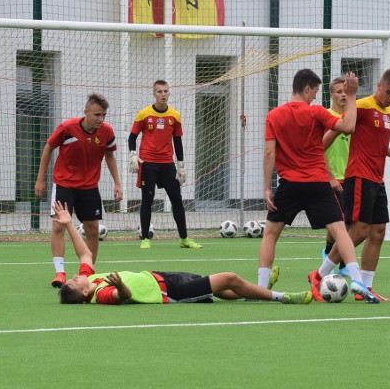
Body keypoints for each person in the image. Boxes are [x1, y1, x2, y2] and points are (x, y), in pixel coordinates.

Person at [256, 68, 380, 304]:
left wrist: (267, 188)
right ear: (307, 88)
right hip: (317, 183)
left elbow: (269, 152)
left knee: (270, 234)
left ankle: (262, 289)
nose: (315, 97)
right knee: (340, 231)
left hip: (289, 185)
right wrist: (352, 96)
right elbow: (348, 126)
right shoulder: (316, 113)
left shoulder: (274, 115)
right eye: (314, 92)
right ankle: (357, 280)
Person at [52, 202, 311, 305]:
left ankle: (256, 292)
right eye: (75, 280)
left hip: (161, 278)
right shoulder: (101, 294)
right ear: (84, 292)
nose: (76, 275)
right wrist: (120, 284)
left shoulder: (92, 281)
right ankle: (282, 297)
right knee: (229, 278)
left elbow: (85, 255)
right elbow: (122, 296)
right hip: (170, 292)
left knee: (219, 289)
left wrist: (67, 225)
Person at [316, 68, 390, 302]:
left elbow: (375, 140)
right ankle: (319, 275)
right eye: (388, 92)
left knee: (378, 232)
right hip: (359, 176)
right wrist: (317, 153)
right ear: (379, 85)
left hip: (378, 179)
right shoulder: (363, 105)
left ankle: (366, 288)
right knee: (358, 231)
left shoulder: (389, 112)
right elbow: (337, 131)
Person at [34, 94, 123, 288]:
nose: (101, 119)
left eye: (104, 115)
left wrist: (117, 183)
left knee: (92, 229)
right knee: (58, 226)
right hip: (64, 184)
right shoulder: (67, 128)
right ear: (86, 112)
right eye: (97, 115)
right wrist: (40, 179)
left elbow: (109, 155)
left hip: (90, 187)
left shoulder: (107, 132)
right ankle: (60, 273)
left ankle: (88, 273)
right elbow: (48, 148)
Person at [128, 80, 201, 250]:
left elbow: (178, 141)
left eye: (165, 91)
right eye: (159, 91)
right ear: (154, 94)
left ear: (169, 94)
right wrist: (133, 155)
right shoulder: (143, 114)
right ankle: (145, 238)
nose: (162, 94)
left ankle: (184, 239)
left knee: (177, 200)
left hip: (167, 163)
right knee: (147, 200)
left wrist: (181, 165)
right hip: (148, 163)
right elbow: (132, 137)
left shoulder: (175, 115)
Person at [322, 76, 351, 276]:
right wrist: (330, 176)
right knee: (339, 222)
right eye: (339, 91)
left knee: (347, 223)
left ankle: (327, 251)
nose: (343, 95)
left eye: (346, 92)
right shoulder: (326, 117)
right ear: (331, 95)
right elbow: (318, 149)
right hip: (330, 178)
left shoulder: (352, 118)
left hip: (352, 176)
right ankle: (342, 264)